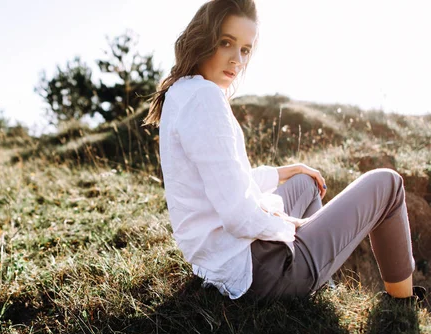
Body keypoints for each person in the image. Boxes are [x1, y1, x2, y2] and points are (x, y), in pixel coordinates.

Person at [143, 0, 424, 301]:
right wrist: (291, 225)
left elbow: (221, 180)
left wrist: (280, 174)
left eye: (245, 50)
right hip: (260, 272)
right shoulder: (206, 98)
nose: (237, 60)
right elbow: (238, 215)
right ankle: (402, 306)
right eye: (226, 43)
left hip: (221, 263)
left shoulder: (180, 92)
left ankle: (321, 285)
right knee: (388, 183)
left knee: (305, 183)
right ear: (202, 39)